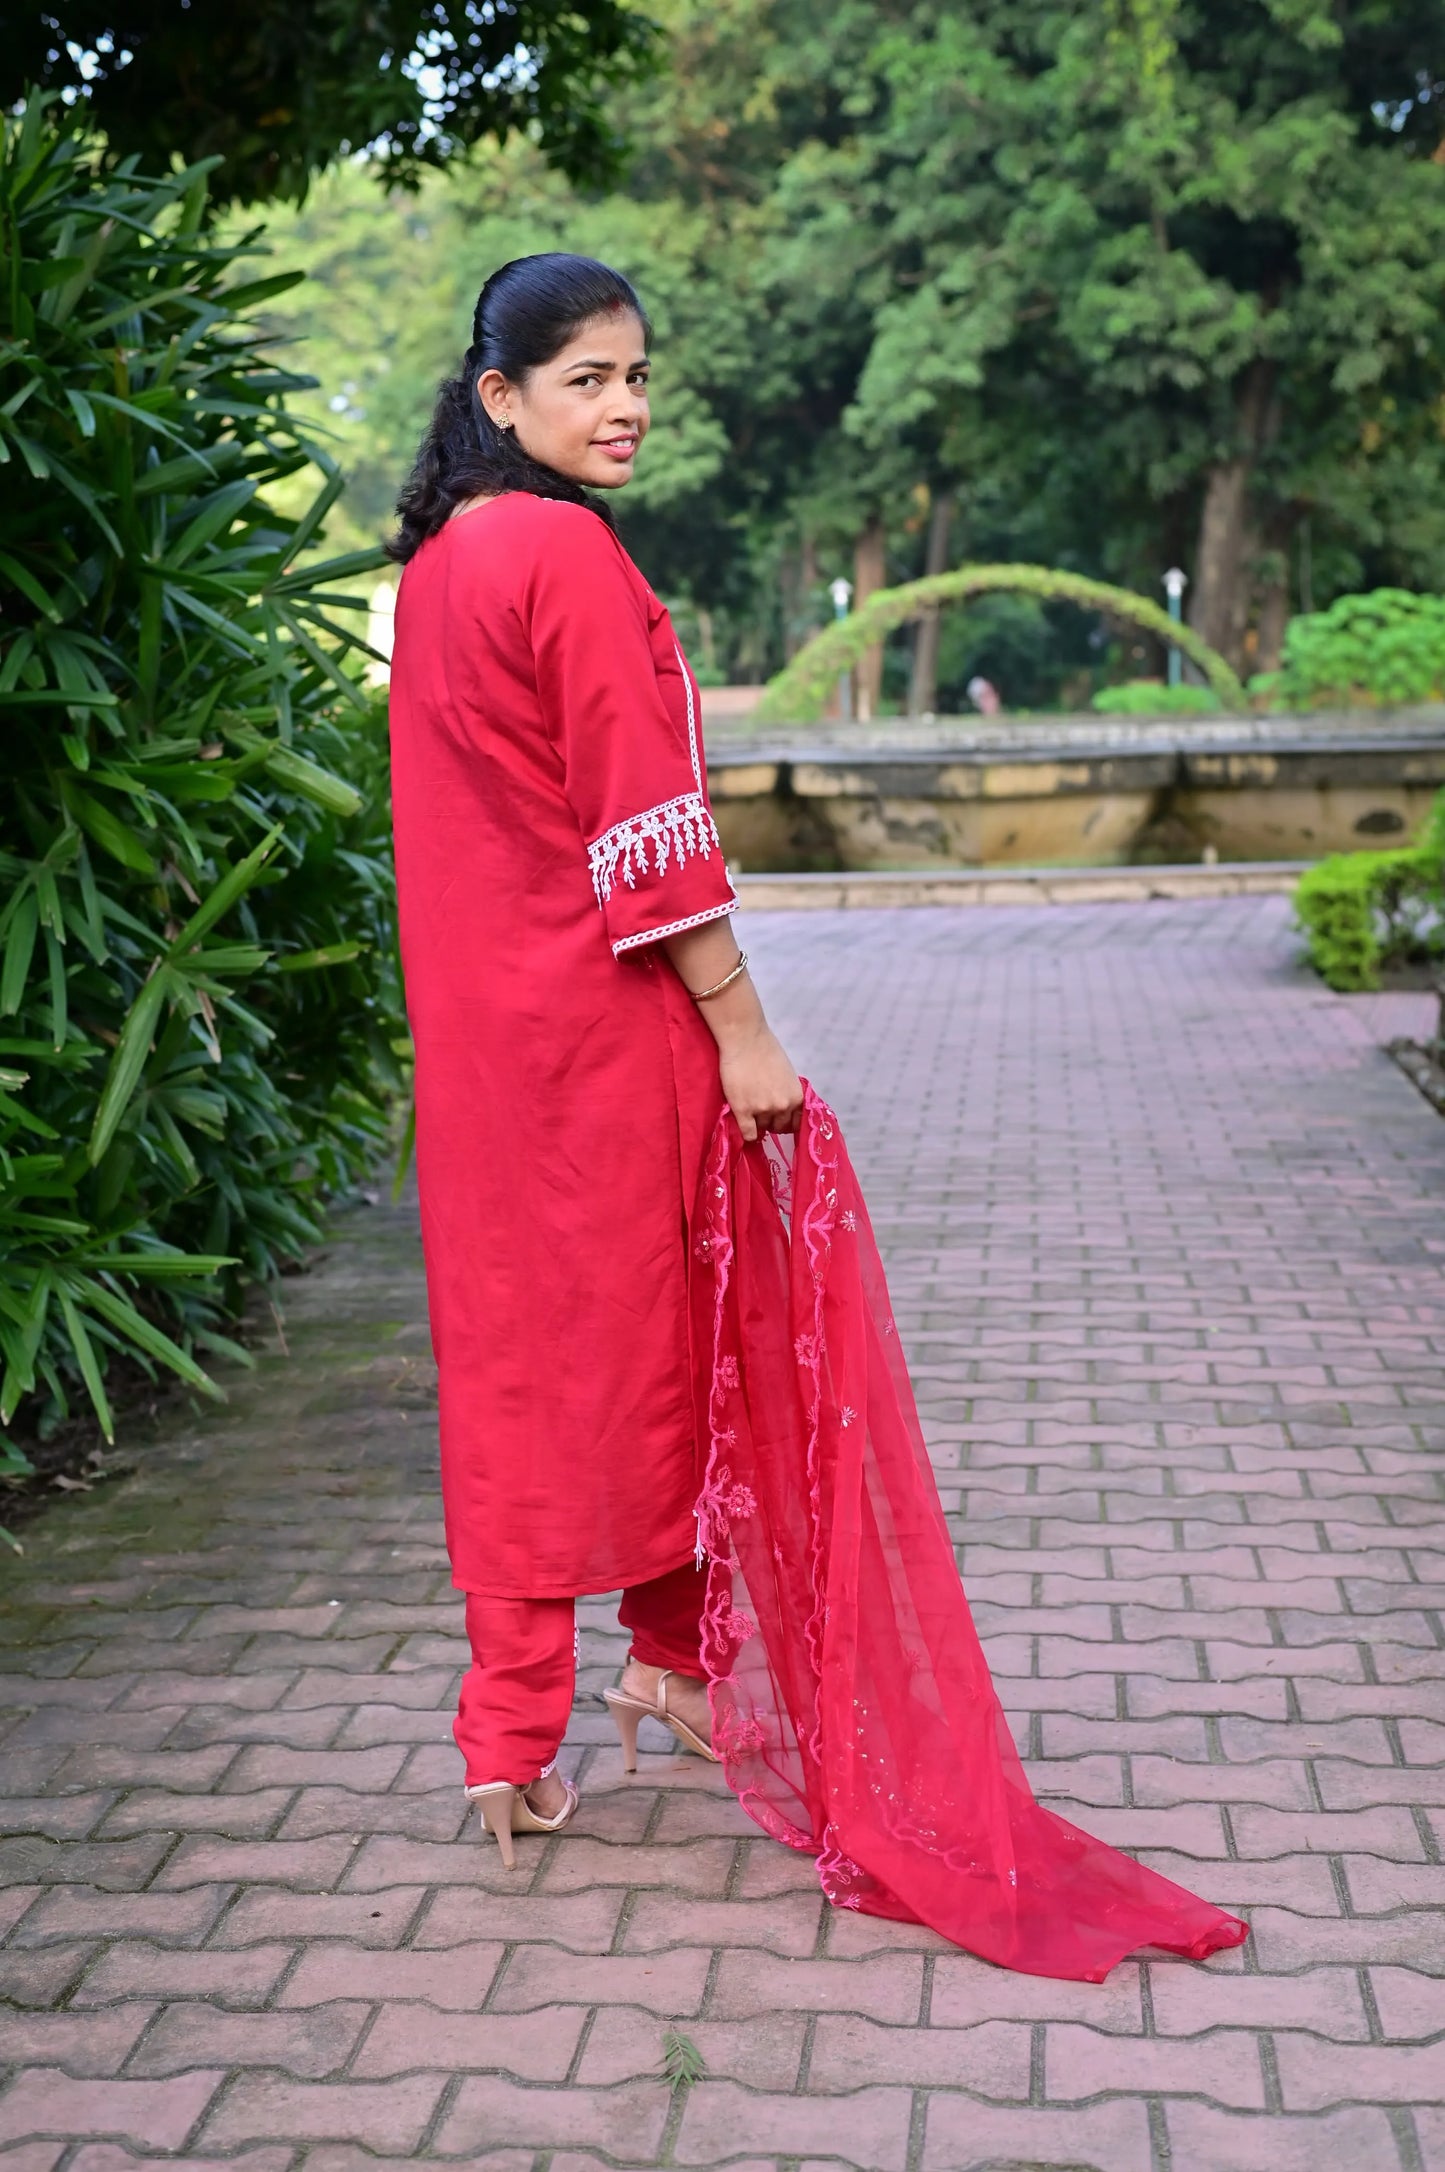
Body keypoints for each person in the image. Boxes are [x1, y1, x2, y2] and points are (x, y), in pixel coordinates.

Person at [386, 254, 804, 1862]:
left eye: (637, 378)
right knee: (673, 1345)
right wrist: (745, 1032)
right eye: (587, 381)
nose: (624, 407)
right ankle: (676, 1666)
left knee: (518, 1368)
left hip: (488, 1058)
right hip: (607, 1039)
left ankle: (509, 1742)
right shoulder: (563, 556)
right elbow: (649, 830)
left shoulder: (441, 563)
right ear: (501, 397)